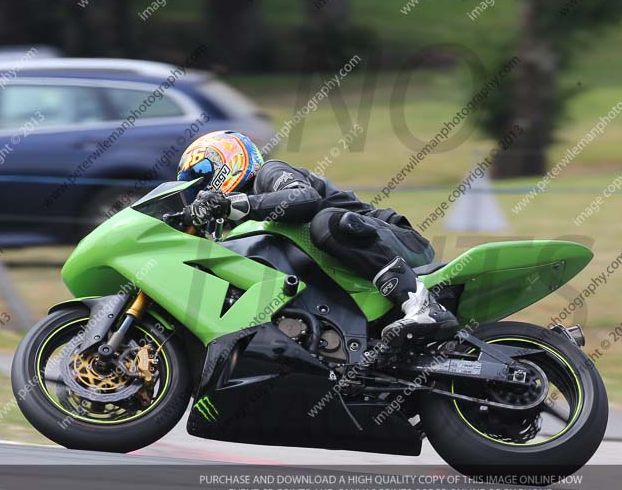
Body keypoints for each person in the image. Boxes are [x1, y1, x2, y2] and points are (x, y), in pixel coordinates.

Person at [176, 130, 458, 344]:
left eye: (201, 176)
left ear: (229, 159)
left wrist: (233, 204)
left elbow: (306, 199)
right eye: (191, 190)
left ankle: (424, 305)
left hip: (396, 241)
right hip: (351, 268)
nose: (199, 192)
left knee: (327, 222)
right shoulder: (241, 226)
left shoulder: (268, 174)